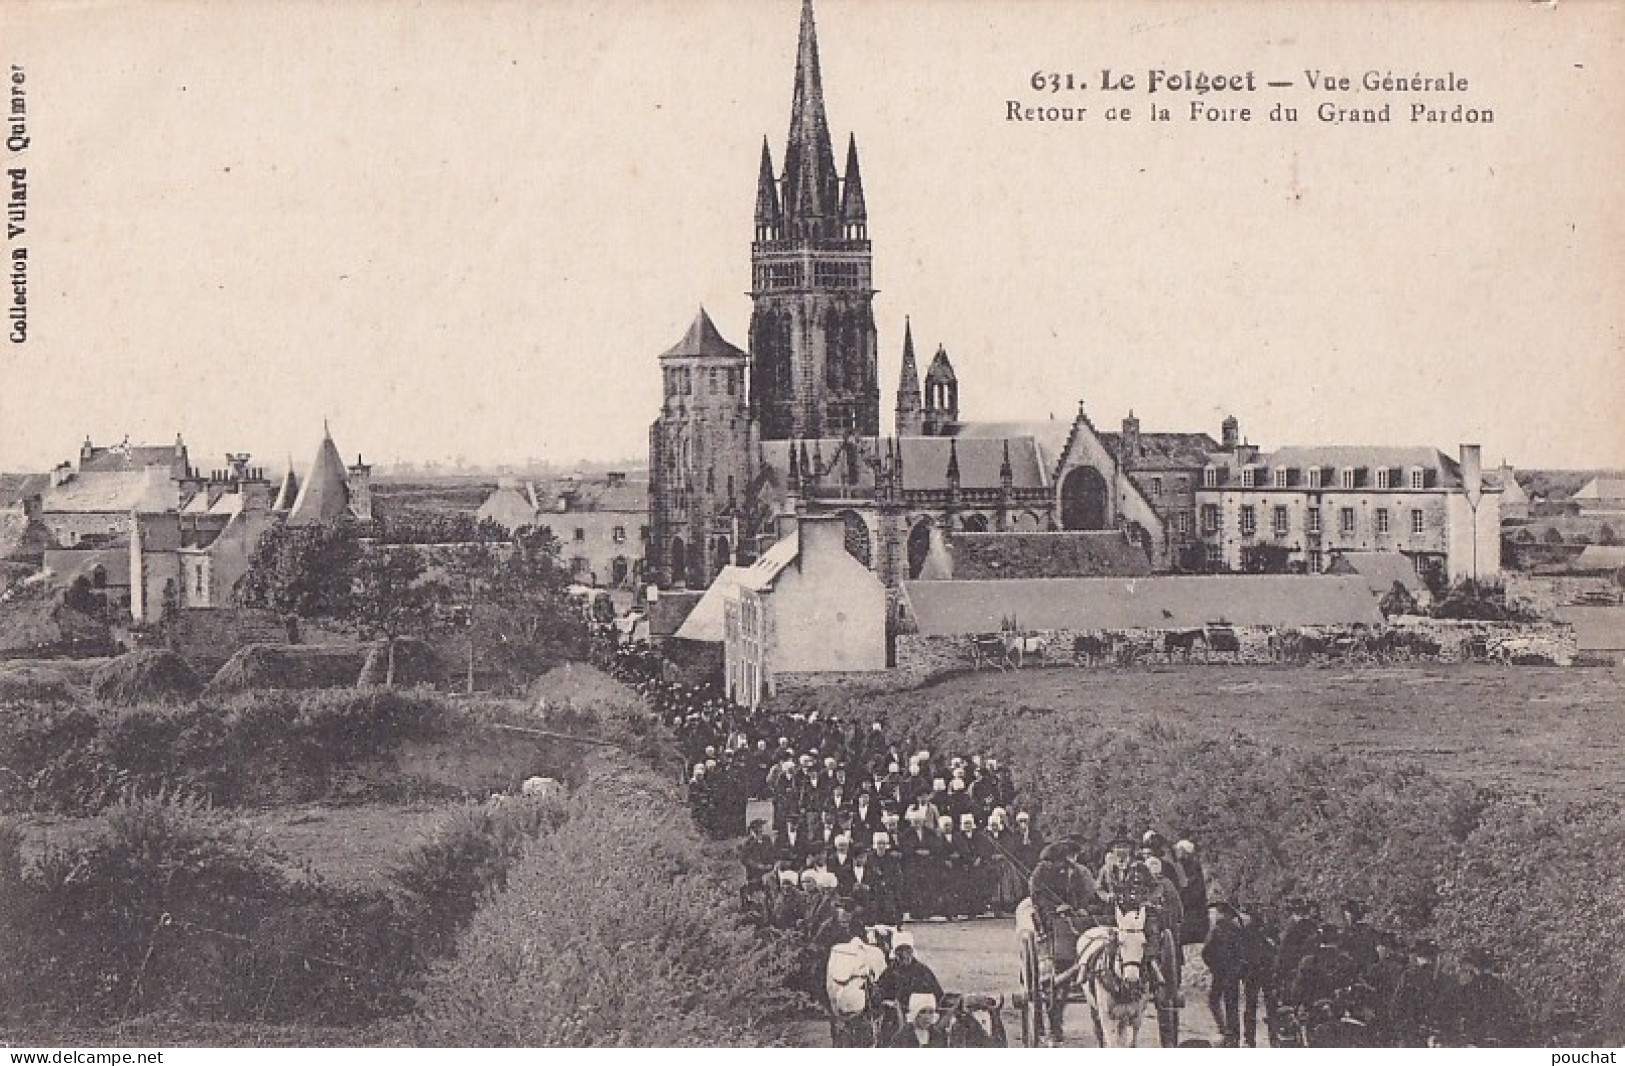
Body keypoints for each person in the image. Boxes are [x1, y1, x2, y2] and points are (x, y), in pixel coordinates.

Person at [1449, 946, 1527, 1047]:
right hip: (1500, 1041)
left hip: (1476, 1041)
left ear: (1474, 968)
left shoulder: (1469, 989)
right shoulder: (1505, 988)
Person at [1391, 939, 1450, 1046]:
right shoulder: (1441, 978)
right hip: (1430, 1029)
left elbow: (1397, 1002)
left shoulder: (1409, 975)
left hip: (1412, 1028)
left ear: (1418, 957)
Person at [1203, 900, 1246, 1047]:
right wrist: (1238, 970)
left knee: (1214, 1000)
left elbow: (1206, 952)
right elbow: (1242, 953)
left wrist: (1213, 966)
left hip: (1220, 972)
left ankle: (1224, 1029)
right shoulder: (1237, 929)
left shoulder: (1216, 930)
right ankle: (1234, 1037)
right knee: (1232, 1004)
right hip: (1232, 973)